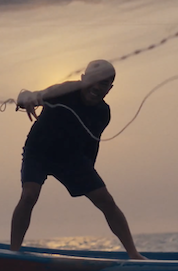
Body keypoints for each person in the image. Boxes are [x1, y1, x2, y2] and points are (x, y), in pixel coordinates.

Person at [11, 59, 146, 260]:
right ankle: (12, 252)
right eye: (93, 80)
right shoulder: (64, 91)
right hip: (39, 151)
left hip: (70, 158)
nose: (96, 87)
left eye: (104, 83)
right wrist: (26, 98)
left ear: (110, 88)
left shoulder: (103, 113)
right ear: (83, 79)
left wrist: (88, 177)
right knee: (29, 195)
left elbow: (91, 146)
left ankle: (134, 254)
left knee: (106, 200)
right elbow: (27, 95)